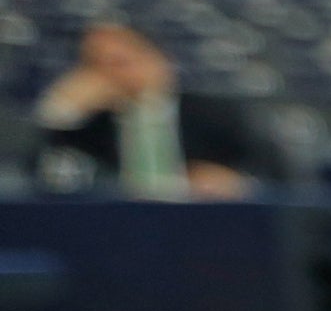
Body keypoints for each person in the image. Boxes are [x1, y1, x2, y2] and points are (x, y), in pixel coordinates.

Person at [35, 23, 272, 198]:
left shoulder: (212, 114)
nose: (112, 75)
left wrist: (238, 183)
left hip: (203, 225)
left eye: (121, 63)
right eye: (95, 66)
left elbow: (272, 170)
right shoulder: (90, 127)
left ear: (156, 60)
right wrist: (59, 110)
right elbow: (41, 174)